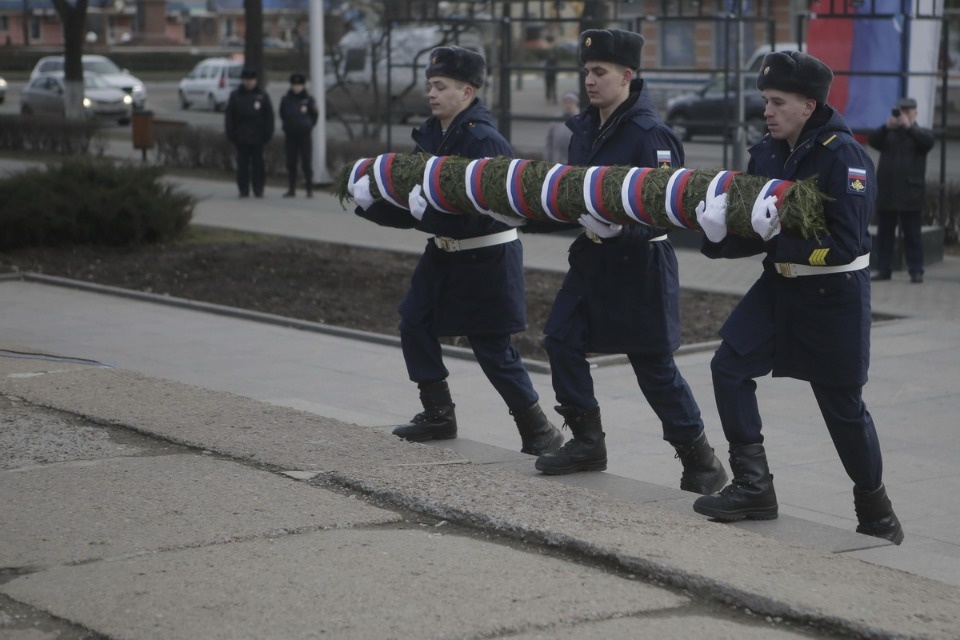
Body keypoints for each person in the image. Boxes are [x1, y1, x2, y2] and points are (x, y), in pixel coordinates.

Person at [692, 50, 904, 544]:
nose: (767, 110)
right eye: (766, 100)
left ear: (808, 105)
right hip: (780, 285)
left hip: (833, 295)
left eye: (778, 101)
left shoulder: (844, 157)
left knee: (840, 405)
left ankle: (876, 511)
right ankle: (753, 487)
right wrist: (717, 232)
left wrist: (777, 238)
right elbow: (754, 231)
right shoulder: (766, 150)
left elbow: (847, 244)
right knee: (728, 366)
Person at [530, 29, 728, 496]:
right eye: (586, 73)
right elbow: (570, 200)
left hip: (641, 263)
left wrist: (622, 228)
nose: (590, 81)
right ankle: (586, 441)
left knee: (653, 367)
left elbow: (668, 207)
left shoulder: (650, 135)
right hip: (592, 261)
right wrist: (521, 218)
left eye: (600, 73)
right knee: (560, 339)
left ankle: (700, 459)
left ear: (627, 75)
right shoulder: (585, 128)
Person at [347, 46, 563, 456]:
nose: (431, 93)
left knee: (491, 349)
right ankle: (438, 414)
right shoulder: (431, 133)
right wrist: (371, 204)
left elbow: (487, 211)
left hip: (486, 257)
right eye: (430, 85)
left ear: (467, 92)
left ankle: (539, 429)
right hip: (443, 253)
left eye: (440, 86)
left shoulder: (484, 140)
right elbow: (414, 209)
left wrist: (425, 212)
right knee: (414, 323)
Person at [867, 96, 934, 283]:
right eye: (900, 112)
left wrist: (909, 127)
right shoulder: (889, 132)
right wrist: (886, 127)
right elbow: (873, 140)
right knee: (885, 235)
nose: (903, 115)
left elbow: (927, 143)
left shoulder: (921, 133)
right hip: (888, 192)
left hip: (910, 194)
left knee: (912, 235)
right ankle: (883, 269)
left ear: (915, 113)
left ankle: (916, 270)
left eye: (907, 112)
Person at [225, 68, 274, 198]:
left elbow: (269, 116)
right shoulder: (235, 95)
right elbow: (230, 116)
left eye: (252, 80)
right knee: (242, 165)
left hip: (258, 137)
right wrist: (230, 133)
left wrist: (268, 133)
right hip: (241, 136)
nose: (249, 83)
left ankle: (258, 189)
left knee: (258, 165)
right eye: (247, 80)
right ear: (243, 80)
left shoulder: (262, 96)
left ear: (255, 81)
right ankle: (243, 189)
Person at [278, 72, 319, 198]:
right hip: (290, 135)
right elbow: (282, 114)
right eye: (294, 84)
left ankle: (309, 189)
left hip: (304, 135)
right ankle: (291, 189)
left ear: (303, 85)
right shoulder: (286, 99)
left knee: (306, 162)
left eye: (299, 84)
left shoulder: (309, 100)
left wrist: (308, 126)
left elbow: (315, 115)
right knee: (291, 163)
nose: (297, 87)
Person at [542, 91, 580, 164]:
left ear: (576, 103)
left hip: (573, 162)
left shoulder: (580, 118)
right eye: (566, 102)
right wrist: (547, 157)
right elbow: (549, 140)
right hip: (557, 160)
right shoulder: (557, 119)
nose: (568, 105)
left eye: (571, 102)